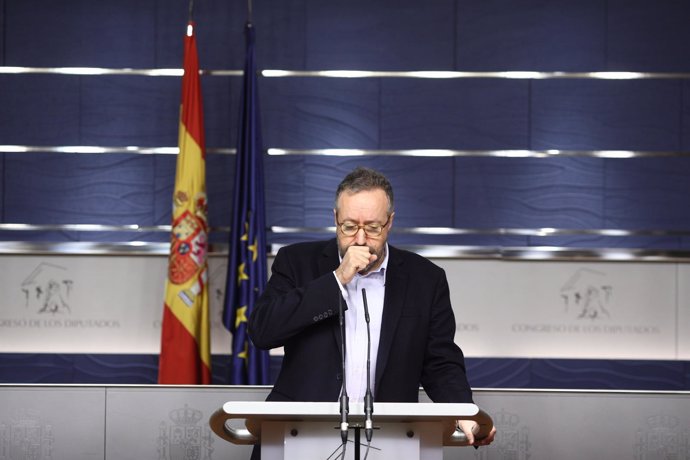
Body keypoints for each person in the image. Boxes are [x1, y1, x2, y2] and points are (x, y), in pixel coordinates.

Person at [248, 166, 496, 456]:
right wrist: (337, 279)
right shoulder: (296, 261)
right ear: (335, 220)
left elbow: (440, 363)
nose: (361, 239)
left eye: (373, 227)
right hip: (299, 434)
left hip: (388, 440)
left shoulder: (425, 279)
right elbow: (262, 331)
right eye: (350, 227)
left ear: (390, 223)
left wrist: (464, 412)